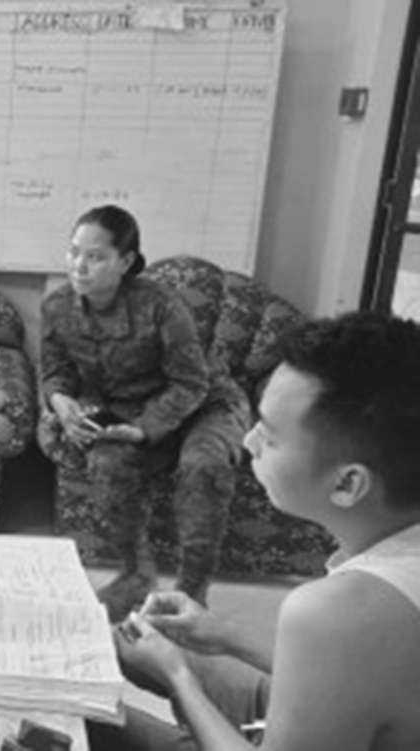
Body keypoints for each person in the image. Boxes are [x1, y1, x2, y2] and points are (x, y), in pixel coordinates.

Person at [92, 312, 420, 751]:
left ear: (347, 484)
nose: (248, 442)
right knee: (120, 642)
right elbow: (360, 670)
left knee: (80, 718)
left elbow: (349, 644)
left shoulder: (338, 611)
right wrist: (222, 633)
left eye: (270, 435)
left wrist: (178, 678)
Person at [38, 205, 249, 620]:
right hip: (130, 409)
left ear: (126, 262)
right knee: (106, 461)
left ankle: (191, 593)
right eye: (74, 251)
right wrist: (61, 403)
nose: (79, 265)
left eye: (95, 256)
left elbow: (191, 382)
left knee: (202, 465)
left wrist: (142, 429)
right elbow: (55, 372)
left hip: (206, 404)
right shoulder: (57, 308)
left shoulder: (161, 306)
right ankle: (137, 574)